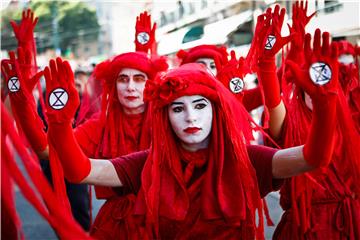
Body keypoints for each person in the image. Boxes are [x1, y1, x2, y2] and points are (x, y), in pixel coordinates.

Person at [43, 32, 337, 239]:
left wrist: (324, 103)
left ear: (215, 111)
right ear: (165, 118)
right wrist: (59, 122)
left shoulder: (247, 158)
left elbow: (312, 157)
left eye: (199, 106)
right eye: (177, 109)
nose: (191, 117)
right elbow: (80, 171)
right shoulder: (149, 162)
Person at [255, 3, 360, 239]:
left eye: (324, 83)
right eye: (309, 86)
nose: (315, 91)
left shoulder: (352, 122)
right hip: (306, 229)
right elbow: (273, 101)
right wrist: (266, 61)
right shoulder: (289, 122)